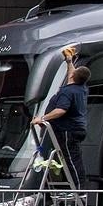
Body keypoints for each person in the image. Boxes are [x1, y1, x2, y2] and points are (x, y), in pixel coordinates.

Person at [32, 50, 91, 180]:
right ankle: (77, 187)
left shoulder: (68, 91)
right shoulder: (81, 88)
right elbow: (73, 75)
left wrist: (41, 119)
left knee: (71, 160)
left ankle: (78, 190)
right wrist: (69, 61)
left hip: (67, 130)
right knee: (71, 158)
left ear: (73, 77)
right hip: (77, 129)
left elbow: (60, 110)